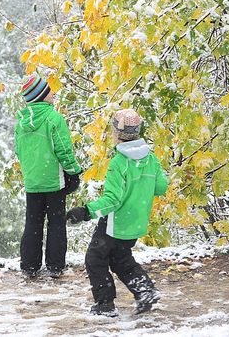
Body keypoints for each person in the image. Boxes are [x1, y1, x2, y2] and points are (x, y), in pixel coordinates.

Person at [66, 108, 168, 316]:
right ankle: (145, 291)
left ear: (115, 134)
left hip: (115, 224)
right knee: (121, 259)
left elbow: (113, 201)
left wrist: (85, 211)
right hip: (136, 222)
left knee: (95, 259)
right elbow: (161, 188)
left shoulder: (118, 163)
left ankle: (105, 305)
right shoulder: (151, 159)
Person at [14, 75, 83, 279]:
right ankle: (54, 266)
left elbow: (19, 152)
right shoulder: (54, 119)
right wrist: (74, 173)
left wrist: (31, 171)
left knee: (33, 223)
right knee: (56, 222)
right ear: (42, 95)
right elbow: (63, 149)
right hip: (54, 181)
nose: (53, 93)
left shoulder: (20, 123)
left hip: (32, 181)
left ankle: (29, 265)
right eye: (49, 90)